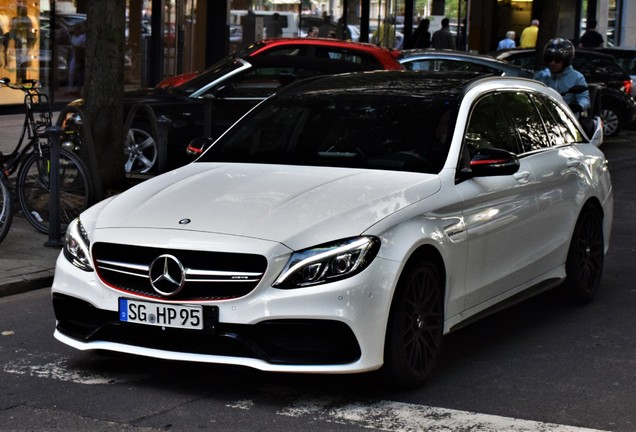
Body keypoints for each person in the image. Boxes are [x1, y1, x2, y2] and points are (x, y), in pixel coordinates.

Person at [534, 38, 590, 114]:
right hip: (544, 116)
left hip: (567, 119)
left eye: (557, 60)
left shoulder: (577, 77)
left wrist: (579, 106)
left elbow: (584, 98)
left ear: (566, 61)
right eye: (550, 59)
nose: (552, 63)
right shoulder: (541, 76)